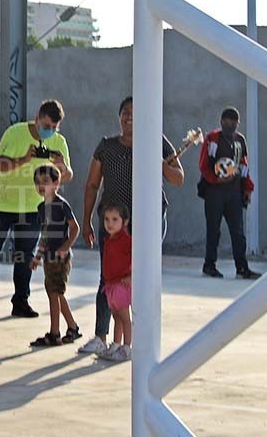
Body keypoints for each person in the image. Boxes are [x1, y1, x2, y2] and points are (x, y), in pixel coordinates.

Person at [78, 96, 185, 354]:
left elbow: (178, 178)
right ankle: (101, 336)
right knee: (109, 278)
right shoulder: (107, 146)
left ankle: (137, 341)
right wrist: (86, 220)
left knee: (141, 278)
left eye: (135, 113)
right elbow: (92, 184)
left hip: (147, 221)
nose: (129, 117)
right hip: (114, 225)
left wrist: (159, 163)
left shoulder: (156, 142)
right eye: (125, 112)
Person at [0, 99, 72, 319]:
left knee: (25, 256)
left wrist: (62, 166)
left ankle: (21, 300)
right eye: (46, 125)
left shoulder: (59, 142)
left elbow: (67, 176)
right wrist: (25, 159)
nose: (48, 131)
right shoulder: (15, 133)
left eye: (53, 128)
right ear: (37, 118)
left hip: (33, 208)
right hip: (2, 204)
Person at [198, 107, 261, 280]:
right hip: (214, 192)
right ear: (221, 122)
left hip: (234, 192)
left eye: (234, 122)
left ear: (237, 124)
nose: (230, 125)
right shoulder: (212, 139)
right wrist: (216, 179)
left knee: (238, 231)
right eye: (227, 121)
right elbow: (204, 165)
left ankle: (242, 267)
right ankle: (209, 265)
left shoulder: (240, 140)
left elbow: (243, 164)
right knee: (214, 230)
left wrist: (248, 188)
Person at [29, 165, 82, 346]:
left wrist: (65, 247)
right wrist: (37, 256)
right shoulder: (41, 208)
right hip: (48, 258)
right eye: (37, 182)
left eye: (45, 181)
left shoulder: (61, 205)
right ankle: (72, 328)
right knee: (57, 293)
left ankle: (55, 333)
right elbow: (44, 235)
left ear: (56, 182)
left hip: (60, 258)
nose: (41, 186)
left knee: (53, 293)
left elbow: (75, 228)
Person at [97, 204, 133, 362]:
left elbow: (137, 258)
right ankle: (116, 344)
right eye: (106, 219)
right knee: (116, 316)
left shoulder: (127, 240)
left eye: (114, 220)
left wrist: (132, 276)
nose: (109, 223)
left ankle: (126, 347)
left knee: (124, 317)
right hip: (111, 284)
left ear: (125, 221)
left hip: (121, 284)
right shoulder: (108, 240)